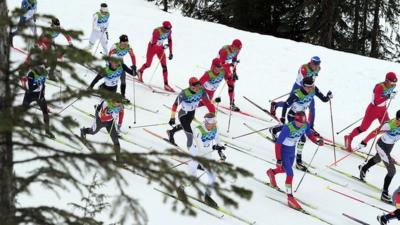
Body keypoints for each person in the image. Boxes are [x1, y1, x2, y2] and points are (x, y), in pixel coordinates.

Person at [270, 77, 331, 171]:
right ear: (303, 86)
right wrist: (282, 117)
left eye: (312, 86)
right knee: (301, 138)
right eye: (308, 87)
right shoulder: (296, 94)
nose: (310, 88)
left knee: (295, 133)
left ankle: (275, 129)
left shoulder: (314, 89)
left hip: (302, 117)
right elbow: (286, 105)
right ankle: (298, 162)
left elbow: (323, 99)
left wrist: (328, 97)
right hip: (293, 116)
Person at [266, 111, 324, 210]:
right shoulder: (287, 128)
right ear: (295, 120)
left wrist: (316, 141)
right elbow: (278, 144)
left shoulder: (305, 125)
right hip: (283, 151)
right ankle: (290, 197)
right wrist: (279, 159)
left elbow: (309, 135)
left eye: (303, 123)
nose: (301, 125)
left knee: (284, 170)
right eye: (300, 123)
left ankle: (271, 172)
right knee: (290, 174)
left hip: (292, 151)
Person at [345, 72, 397, 151]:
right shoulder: (379, 87)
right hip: (373, 110)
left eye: (394, 82)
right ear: (386, 80)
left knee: (387, 127)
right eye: (392, 82)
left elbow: (388, 94)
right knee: (363, 128)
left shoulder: (393, 85)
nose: (393, 84)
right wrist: (388, 96)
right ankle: (349, 137)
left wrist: (392, 94)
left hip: (383, 110)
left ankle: (380, 148)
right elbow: (376, 102)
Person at [358, 110, 400, 203]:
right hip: (381, 146)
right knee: (392, 170)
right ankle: (384, 194)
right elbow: (375, 132)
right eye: (397, 120)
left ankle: (363, 168)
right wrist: (364, 141)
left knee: (377, 159)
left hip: (389, 146)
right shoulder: (389, 125)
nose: (398, 122)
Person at [270, 56, 321, 128]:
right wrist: (305, 88)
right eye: (315, 64)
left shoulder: (318, 68)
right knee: (290, 104)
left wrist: (311, 86)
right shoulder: (304, 68)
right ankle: (275, 105)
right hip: (298, 86)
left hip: (309, 88)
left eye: (318, 64)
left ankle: (310, 127)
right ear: (311, 63)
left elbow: (313, 78)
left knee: (312, 107)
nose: (316, 66)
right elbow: (304, 80)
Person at [188, 112, 226, 207]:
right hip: (196, 152)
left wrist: (221, 149)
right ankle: (181, 188)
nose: (213, 125)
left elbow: (218, 140)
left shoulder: (215, 128)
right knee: (192, 174)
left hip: (207, 154)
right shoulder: (198, 130)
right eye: (211, 123)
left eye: (214, 122)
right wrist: (214, 148)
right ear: (206, 122)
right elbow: (200, 148)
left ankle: (207, 196)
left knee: (212, 176)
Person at [167, 77, 215, 148]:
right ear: (190, 86)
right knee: (190, 135)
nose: (196, 89)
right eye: (193, 87)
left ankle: (171, 132)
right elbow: (175, 105)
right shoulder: (184, 93)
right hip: (183, 114)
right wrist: (172, 117)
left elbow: (208, 101)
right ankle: (191, 154)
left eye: (198, 87)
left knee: (184, 126)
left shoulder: (201, 91)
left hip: (191, 113)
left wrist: (213, 103)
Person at [80, 96, 124, 162]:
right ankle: (83, 131)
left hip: (110, 122)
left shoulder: (120, 105)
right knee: (93, 132)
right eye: (116, 104)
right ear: (113, 101)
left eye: (119, 104)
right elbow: (102, 118)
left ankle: (118, 160)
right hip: (100, 120)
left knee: (115, 140)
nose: (117, 105)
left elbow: (121, 113)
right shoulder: (106, 104)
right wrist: (112, 115)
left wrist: (119, 123)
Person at [137, 21, 174, 92]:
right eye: (166, 29)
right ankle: (140, 71)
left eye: (169, 29)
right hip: (152, 48)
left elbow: (170, 41)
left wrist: (171, 52)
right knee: (148, 64)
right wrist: (163, 47)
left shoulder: (169, 31)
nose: (168, 30)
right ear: (163, 27)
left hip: (160, 49)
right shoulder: (157, 31)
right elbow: (154, 44)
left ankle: (166, 84)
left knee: (164, 66)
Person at [20, 65, 54, 138]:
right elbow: (31, 88)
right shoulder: (31, 74)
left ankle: (47, 131)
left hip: (39, 95)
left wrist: (43, 91)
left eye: (42, 68)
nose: (40, 69)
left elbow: (43, 83)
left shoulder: (45, 72)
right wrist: (38, 83)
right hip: (30, 95)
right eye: (39, 68)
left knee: (45, 112)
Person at [218, 39, 242, 111]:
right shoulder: (224, 51)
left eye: (239, 49)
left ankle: (232, 104)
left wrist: (234, 72)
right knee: (213, 83)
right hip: (217, 66)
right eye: (237, 48)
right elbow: (221, 64)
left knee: (231, 84)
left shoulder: (237, 50)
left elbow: (234, 61)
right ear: (233, 46)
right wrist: (230, 65)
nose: (238, 50)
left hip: (226, 66)